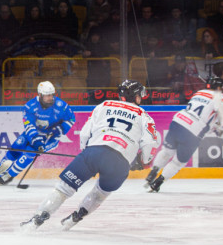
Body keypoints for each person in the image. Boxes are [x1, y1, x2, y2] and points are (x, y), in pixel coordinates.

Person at [22, 80, 158, 231]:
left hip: (93, 152)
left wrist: (86, 153)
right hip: (120, 164)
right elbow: (150, 143)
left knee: (63, 189)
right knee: (100, 194)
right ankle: (73, 220)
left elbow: (85, 133)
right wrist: (141, 161)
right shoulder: (145, 116)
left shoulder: (104, 105)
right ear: (136, 96)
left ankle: (35, 221)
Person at [145, 77, 223, 193]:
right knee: (178, 162)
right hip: (193, 132)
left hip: (178, 121)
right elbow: (222, 122)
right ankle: (158, 183)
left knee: (167, 151)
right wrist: (222, 130)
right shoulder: (222, 98)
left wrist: (215, 128)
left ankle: (153, 172)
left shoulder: (199, 93)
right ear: (219, 88)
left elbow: (203, 114)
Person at [0, 81, 76, 186]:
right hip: (32, 134)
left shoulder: (61, 106)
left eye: (51, 94)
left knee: (30, 152)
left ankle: (9, 176)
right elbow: (29, 126)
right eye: (47, 95)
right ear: (40, 95)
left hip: (50, 138)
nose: (50, 97)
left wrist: (59, 129)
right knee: (15, 149)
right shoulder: (30, 106)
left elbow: (71, 119)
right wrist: (36, 140)